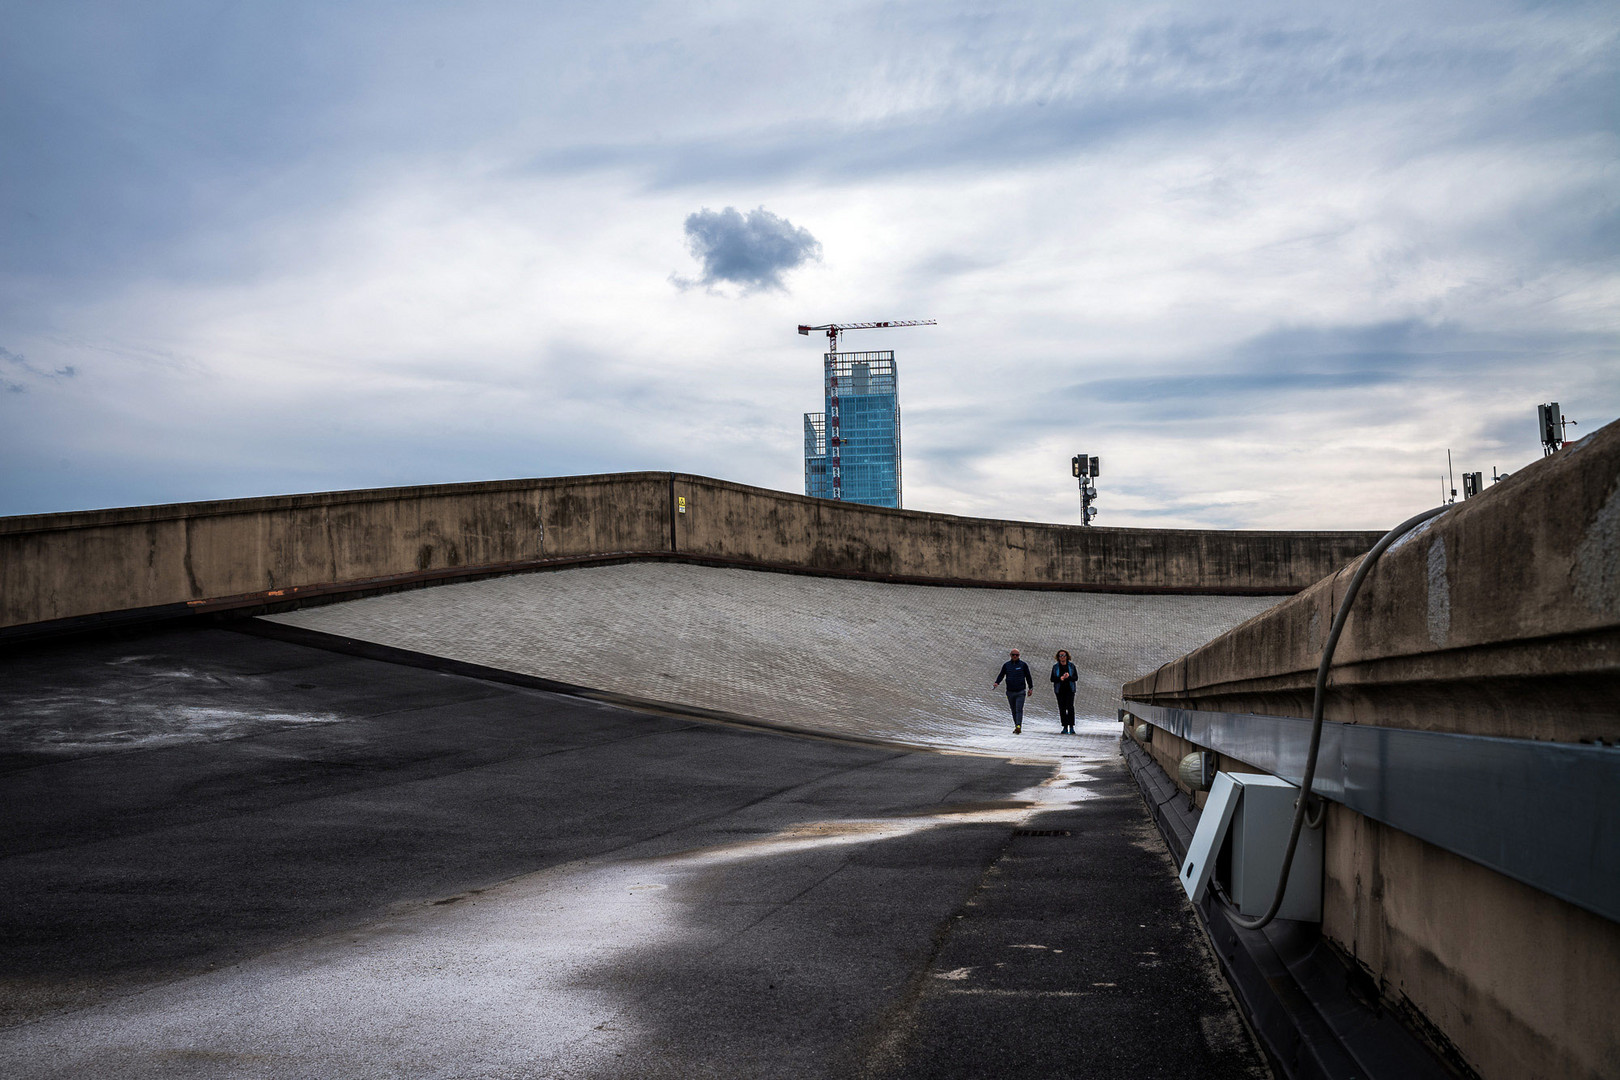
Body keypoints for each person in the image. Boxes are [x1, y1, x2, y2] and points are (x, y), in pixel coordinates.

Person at [993, 649, 1035, 734]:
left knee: (1019, 709)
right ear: (1010, 655)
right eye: (1013, 655)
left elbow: (1028, 677)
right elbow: (1001, 674)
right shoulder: (1006, 665)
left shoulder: (1023, 665)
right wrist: (997, 682)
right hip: (1010, 691)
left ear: (1019, 655)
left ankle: (1018, 725)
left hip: (1020, 691)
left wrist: (1030, 688)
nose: (1015, 656)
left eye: (1016, 655)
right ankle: (1016, 725)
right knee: (1013, 710)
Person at [1051, 650, 1078, 734]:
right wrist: (1060, 679)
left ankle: (1071, 726)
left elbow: (1075, 677)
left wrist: (1069, 677)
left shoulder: (1071, 666)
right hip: (1060, 690)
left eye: (1063, 655)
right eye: (1060, 656)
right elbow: (1052, 679)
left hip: (1070, 690)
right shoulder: (1055, 667)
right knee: (1062, 708)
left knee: (1070, 707)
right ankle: (1065, 726)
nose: (1062, 657)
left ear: (1067, 656)